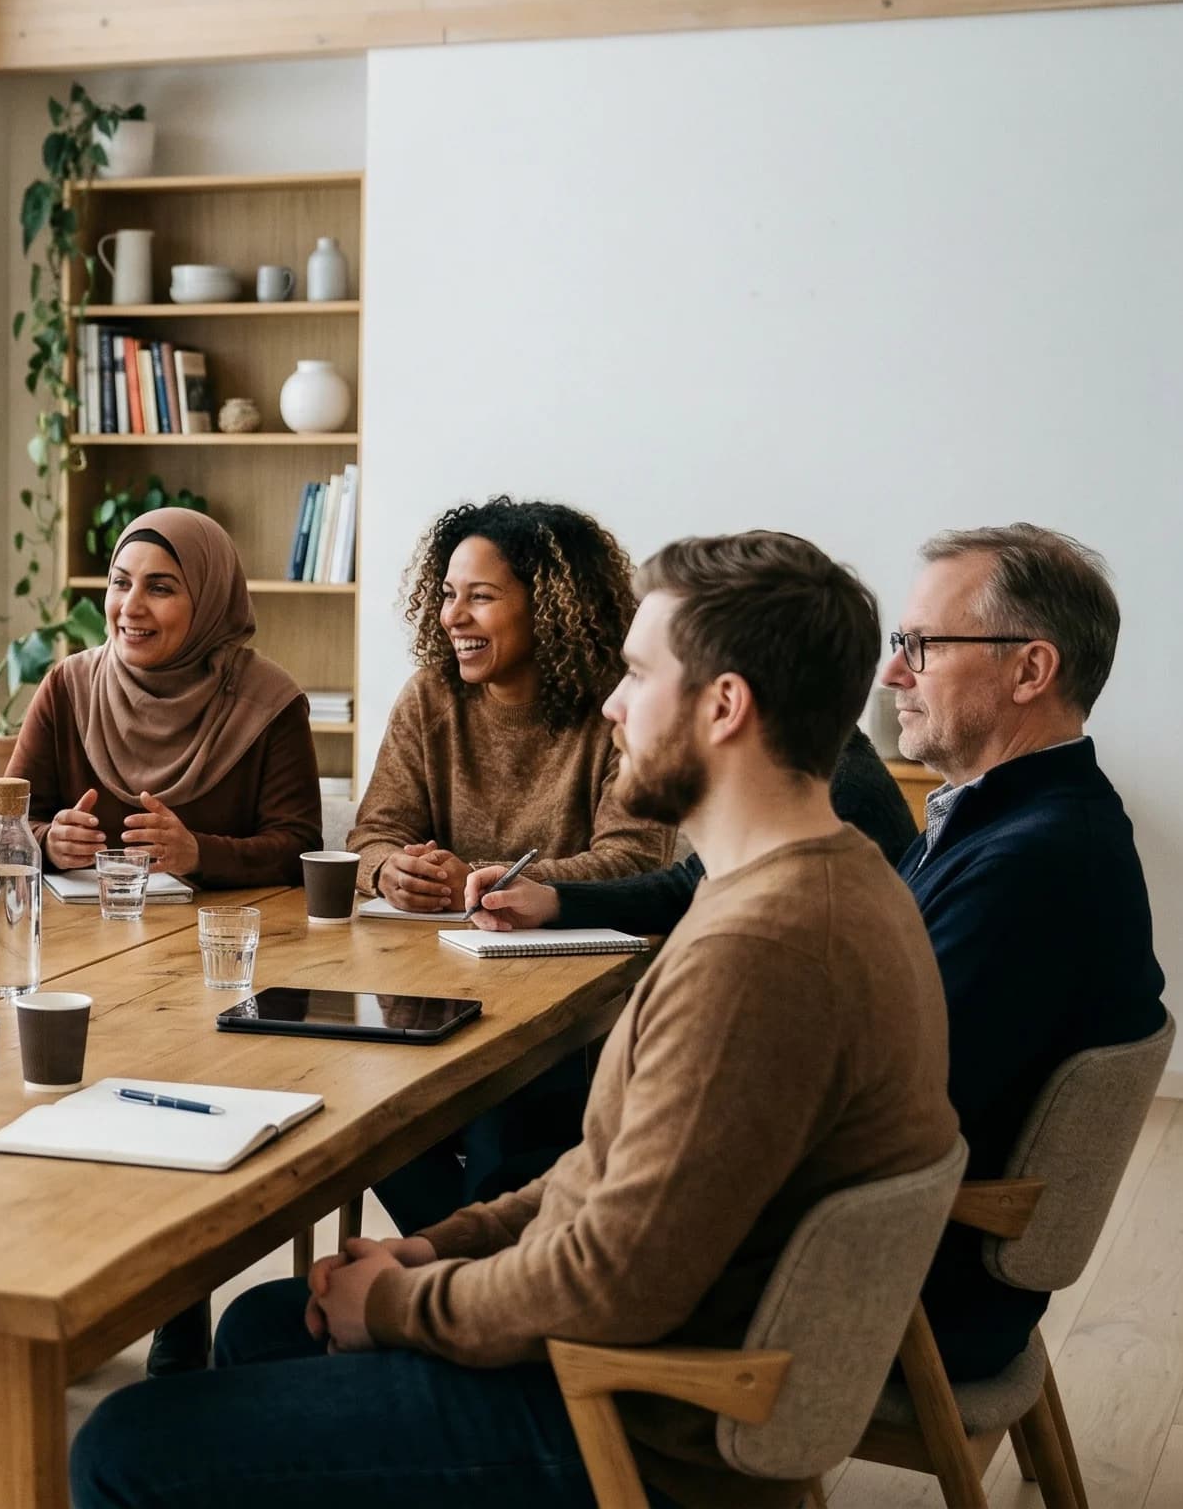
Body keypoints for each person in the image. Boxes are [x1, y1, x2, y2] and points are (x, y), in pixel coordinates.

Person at [71, 530, 959, 1509]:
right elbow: (600, 1178)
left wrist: (403, 1304)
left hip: (627, 1422)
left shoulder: (762, 953)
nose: (612, 706)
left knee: (121, 1442)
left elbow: (605, 1280)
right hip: (639, 1351)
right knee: (265, 1329)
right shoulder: (823, 883)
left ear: (722, 707)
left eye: (634, 675)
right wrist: (432, 1249)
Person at [478, 524, 1167, 1381]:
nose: (891, 674)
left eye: (922, 645)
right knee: (534, 1137)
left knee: (501, 1136)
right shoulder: (1012, 825)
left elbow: (885, 1103)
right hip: (895, 1265)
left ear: (1031, 670)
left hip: (889, 1296)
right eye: (895, 644)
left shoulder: (1034, 863)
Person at [342, 497, 676, 1252]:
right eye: (448, 593)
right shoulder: (431, 697)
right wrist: (393, 870)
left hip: (568, 999)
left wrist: (488, 879)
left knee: (498, 1122)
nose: (452, 616)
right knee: (364, 1116)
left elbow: (634, 859)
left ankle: (468, 1278)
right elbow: (372, 835)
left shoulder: (617, 709)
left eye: (481, 596)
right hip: (431, 984)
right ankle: (460, 1267)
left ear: (552, 607)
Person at [8, 507, 323, 886]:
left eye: (160, 588)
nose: (130, 607)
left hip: (222, 935)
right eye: (120, 583)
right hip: (83, 933)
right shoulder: (68, 687)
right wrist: (47, 842)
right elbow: (6, 825)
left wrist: (198, 854)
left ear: (210, 601)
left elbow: (300, 851)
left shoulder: (270, 703)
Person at [464, 728, 915, 936]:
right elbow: (691, 886)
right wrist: (554, 901)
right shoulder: (816, 766)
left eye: (646, 672)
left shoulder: (825, 797)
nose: (615, 703)